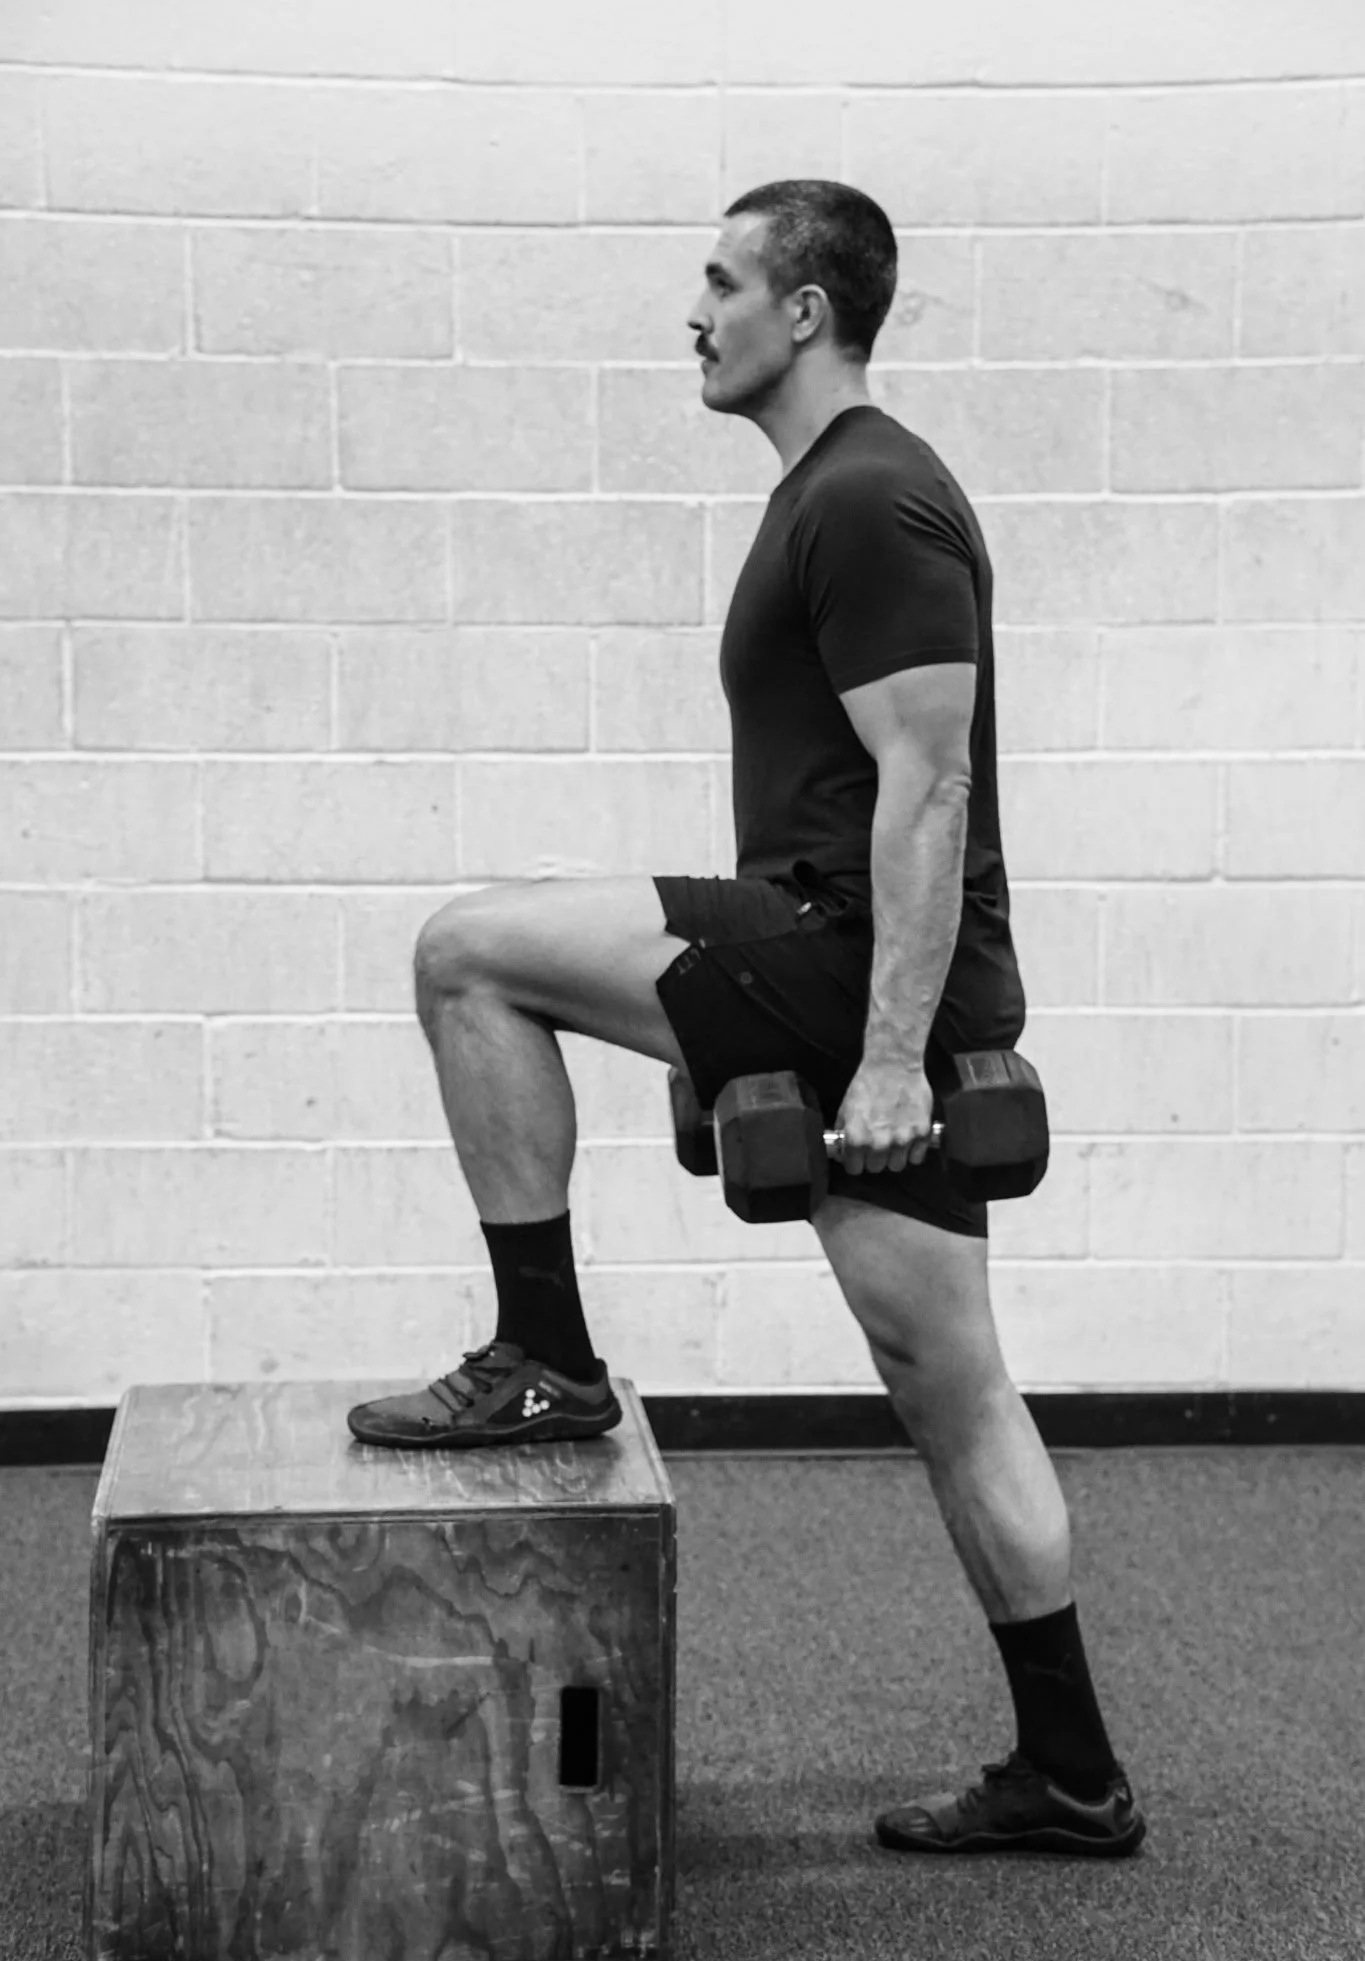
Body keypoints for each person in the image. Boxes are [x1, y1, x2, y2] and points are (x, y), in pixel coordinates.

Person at [347, 180, 1146, 1859]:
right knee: (952, 1386)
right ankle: (1073, 1774)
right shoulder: (831, 493)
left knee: (466, 953)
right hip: (859, 963)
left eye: (718, 282)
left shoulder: (868, 500)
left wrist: (880, 1057)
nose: (692, 313)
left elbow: (929, 792)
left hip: (848, 957)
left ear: (806, 311)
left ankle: (547, 1359)